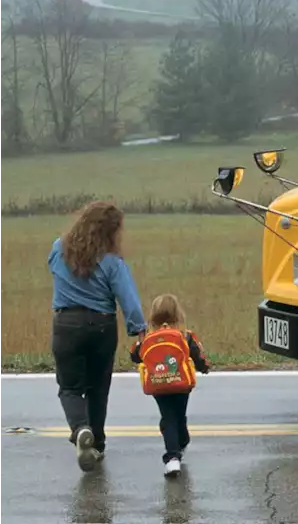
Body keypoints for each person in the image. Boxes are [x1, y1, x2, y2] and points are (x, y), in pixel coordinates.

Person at [49, 201, 147, 472]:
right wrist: (139, 330)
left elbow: (53, 269)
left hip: (66, 323)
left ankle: (80, 430)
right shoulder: (112, 262)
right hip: (101, 327)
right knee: (97, 389)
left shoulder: (59, 248)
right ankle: (98, 445)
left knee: (69, 387)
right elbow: (129, 300)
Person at [130, 293, 211, 478]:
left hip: (159, 384)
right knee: (179, 414)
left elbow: (135, 355)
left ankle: (172, 458)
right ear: (178, 314)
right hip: (182, 384)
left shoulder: (148, 338)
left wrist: (140, 340)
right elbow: (198, 355)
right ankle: (181, 441)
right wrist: (204, 368)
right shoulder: (185, 335)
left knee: (168, 417)